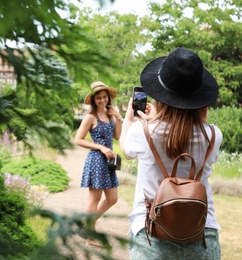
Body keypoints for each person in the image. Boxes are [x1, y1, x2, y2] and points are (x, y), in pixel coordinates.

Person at [119, 47, 222, 259]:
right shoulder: (213, 135)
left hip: (152, 237)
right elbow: (181, 132)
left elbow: (127, 152)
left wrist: (129, 119)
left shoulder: (142, 131)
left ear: (161, 94)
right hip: (202, 236)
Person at [75, 81, 122, 247]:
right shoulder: (90, 117)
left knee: (112, 198)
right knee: (94, 199)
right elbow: (78, 140)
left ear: (108, 98)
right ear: (94, 100)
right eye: (99, 98)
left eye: (104, 97)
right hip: (96, 160)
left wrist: (118, 116)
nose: (102, 100)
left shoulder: (110, 116)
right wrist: (101, 147)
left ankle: (86, 224)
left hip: (108, 162)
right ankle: (90, 236)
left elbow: (117, 136)